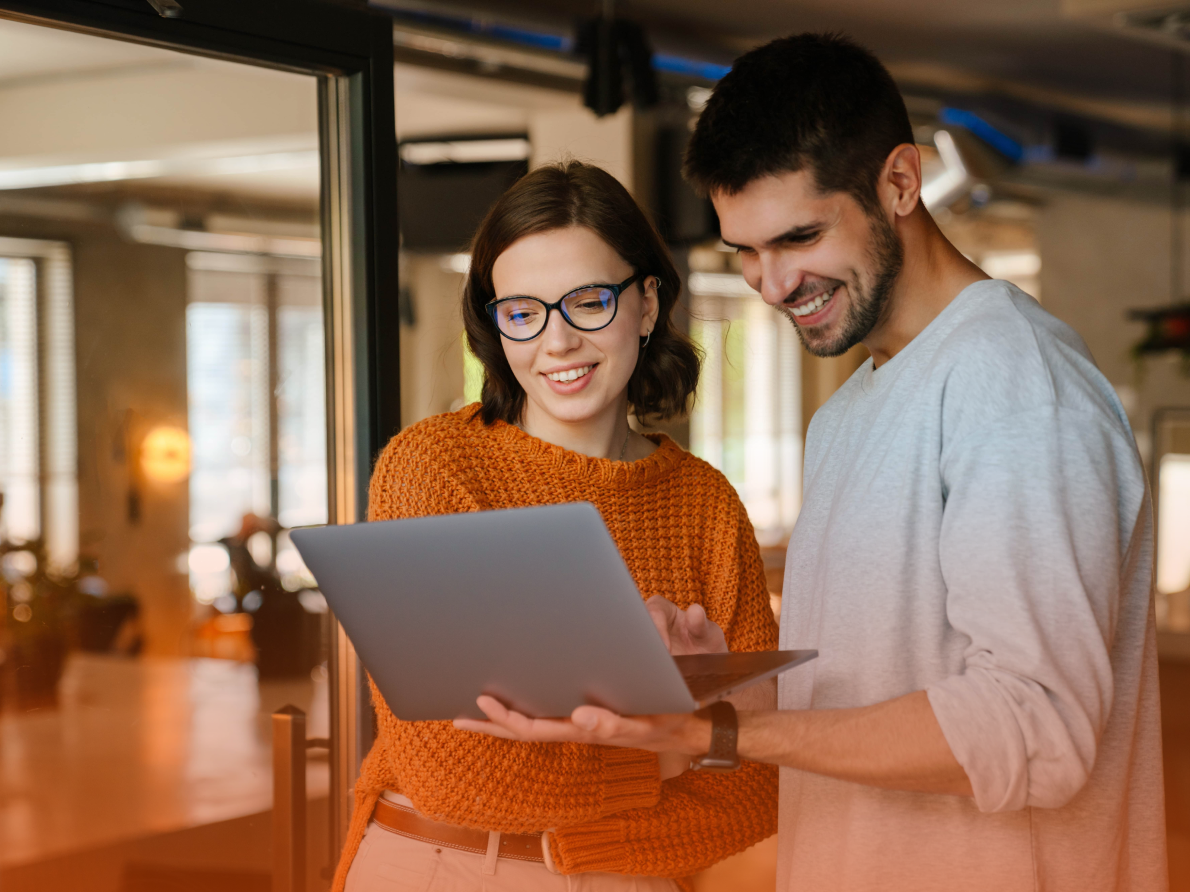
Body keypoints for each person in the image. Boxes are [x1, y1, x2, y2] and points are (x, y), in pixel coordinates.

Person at [458, 34, 1168, 892]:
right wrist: (711, 694)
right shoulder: (847, 416)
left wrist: (722, 737)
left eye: (798, 237)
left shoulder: (1017, 386)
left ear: (900, 182)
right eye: (745, 252)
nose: (772, 282)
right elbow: (856, 710)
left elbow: (1040, 731)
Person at [334, 160, 780, 892]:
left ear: (645, 303)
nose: (558, 341)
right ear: (496, 324)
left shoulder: (705, 504)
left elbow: (756, 786)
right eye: (523, 312)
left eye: (588, 302)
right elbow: (449, 771)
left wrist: (680, 748)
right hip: (441, 866)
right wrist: (677, 745)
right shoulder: (436, 469)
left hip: (629, 880)